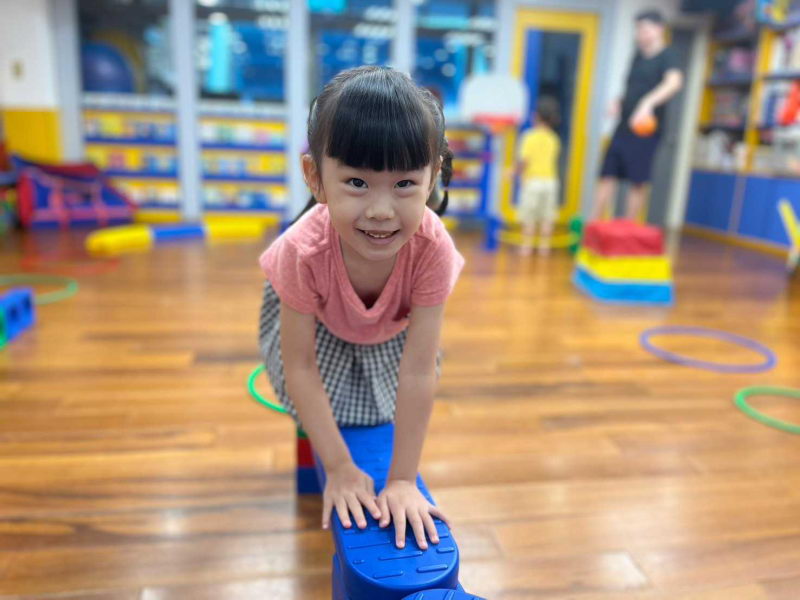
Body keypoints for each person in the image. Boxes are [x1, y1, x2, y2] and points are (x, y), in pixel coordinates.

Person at [257, 66, 464, 551]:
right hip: (318, 326)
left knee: (384, 406)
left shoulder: (433, 248)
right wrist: (338, 466)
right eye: (356, 182)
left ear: (433, 176)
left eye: (405, 184)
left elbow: (419, 369)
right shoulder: (302, 250)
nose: (380, 210)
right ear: (315, 177)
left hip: (388, 330)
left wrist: (402, 480)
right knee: (322, 400)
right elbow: (299, 365)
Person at [593, 9, 684, 221]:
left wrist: (647, 104)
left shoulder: (668, 56)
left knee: (637, 181)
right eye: (638, 29)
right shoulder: (637, 56)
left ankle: (629, 227)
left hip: (646, 130)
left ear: (659, 29)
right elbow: (632, 89)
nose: (640, 34)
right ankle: (594, 224)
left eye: (644, 29)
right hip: (623, 127)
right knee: (607, 174)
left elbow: (674, 83)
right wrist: (618, 102)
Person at [514, 96, 562, 255]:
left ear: (535, 116)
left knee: (530, 216)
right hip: (550, 182)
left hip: (533, 182)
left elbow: (524, 161)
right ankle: (544, 247)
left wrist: (514, 172)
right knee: (547, 217)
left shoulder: (529, 136)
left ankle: (526, 246)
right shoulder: (554, 138)